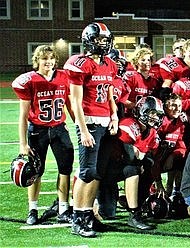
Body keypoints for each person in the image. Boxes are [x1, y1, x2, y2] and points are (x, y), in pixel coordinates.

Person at [64, 22, 119, 238]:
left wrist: (114, 115)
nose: (103, 43)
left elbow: (109, 94)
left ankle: (88, 215)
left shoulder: (110, 64)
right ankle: (78, 218)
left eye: (106, 40)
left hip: (105, 121)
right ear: (88, 40)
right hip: (89, 122)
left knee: (96, 172)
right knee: (86, 172)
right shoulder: (79, 64)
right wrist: (83, 129)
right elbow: (75, 101)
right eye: (99, 39)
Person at [12, 45, 75, 225]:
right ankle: (32, 209)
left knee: (65, 169)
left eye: (51, 58)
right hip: (37, 130)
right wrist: (23, 143)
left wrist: (78, 125)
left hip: (59, 129)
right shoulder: (29, 80)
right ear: (37, 60)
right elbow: (23, 116)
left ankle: (63, 208)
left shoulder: (64, 77)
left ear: (55, 60)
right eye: (44, 58)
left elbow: (69, 104)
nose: (48, 62)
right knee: (35, 171)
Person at [96, 96, 163, 230]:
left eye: (157, 114)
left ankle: (134, 206)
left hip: (120, 169)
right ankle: (134, 213)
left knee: (147, 166)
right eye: (152, 113)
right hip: (105, 173)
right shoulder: (128, 124)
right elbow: (129, 156)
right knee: (133, 168)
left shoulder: (152, 133)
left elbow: (148, 159)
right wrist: (139, 155)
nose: (155, 117)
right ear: (141, 111)